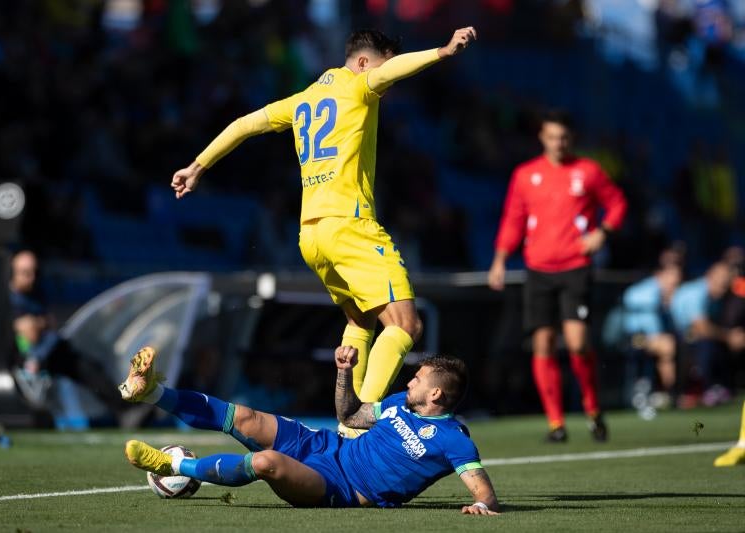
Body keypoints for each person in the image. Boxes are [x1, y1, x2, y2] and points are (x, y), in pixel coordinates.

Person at [169, 28, 477, 435]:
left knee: (363, 323)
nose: (382, 79)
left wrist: (198, 166)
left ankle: (349, 432)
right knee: (405, 325)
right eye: (380, 65)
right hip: (350, 225)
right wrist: (442, 51)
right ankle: (362, 418)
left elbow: (244, 124)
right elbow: (393, 72)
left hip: (312, 235)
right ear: (365, 61)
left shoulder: (303, 100)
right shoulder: (357, 85)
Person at [119, 345, 500, 513]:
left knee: (266, 462)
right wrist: (344, 373)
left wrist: (482, 505)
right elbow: (350, 416)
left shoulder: (454, 440)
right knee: (245, 417)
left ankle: (173, 467)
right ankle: (151, 391)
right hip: (326, 446)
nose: (410, 381)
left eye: (418, 379)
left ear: (436, 393)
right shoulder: (401, 402)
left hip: (342, 488)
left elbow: (483, 490)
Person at [488, 110, 628, 443]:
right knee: (543, 343)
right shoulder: (525, 175)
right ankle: (556, 423)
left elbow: (618, 203)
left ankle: (592, 408)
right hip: (538, 268)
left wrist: (603, 232)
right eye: (552, 137)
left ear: (572, 138)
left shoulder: (588, 171)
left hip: (575, 266)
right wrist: (500, 260)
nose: (558, 143)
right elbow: (513, 219)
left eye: (563, 137)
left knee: (578, 342)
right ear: (542, 137)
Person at [9, 250, 137, 428]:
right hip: (28, 360)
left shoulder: (35, 294)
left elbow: (48, 324)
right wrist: (41, 324)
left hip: (50, 351)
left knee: (91, 369)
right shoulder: (10, 300)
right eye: (25, 272)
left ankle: (124, 407)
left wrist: (38, 323)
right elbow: (30, 333)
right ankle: (124, 407)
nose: (31, 277)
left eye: (34, 272)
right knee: (83, 369)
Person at [670, 261, 745, 408]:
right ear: (710, 276)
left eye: (726, 283)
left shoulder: (717, 297)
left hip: (691, 338)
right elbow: (701, 328)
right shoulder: (696, 292)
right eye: (720, 282)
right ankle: (707, 388)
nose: (723, 287)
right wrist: (729, 337)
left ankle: (721, 387)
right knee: (708, 344)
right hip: (679, 337)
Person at [622, 261, 682, 404]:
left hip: (648, 337)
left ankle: (667, 393)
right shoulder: (647, 292)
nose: (675, 283)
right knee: (668, 346)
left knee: (673, 344)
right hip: (635, 337)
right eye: (672, 278)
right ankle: (670, 393)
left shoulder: (661, 294)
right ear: (661, 275)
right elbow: (644, 326)